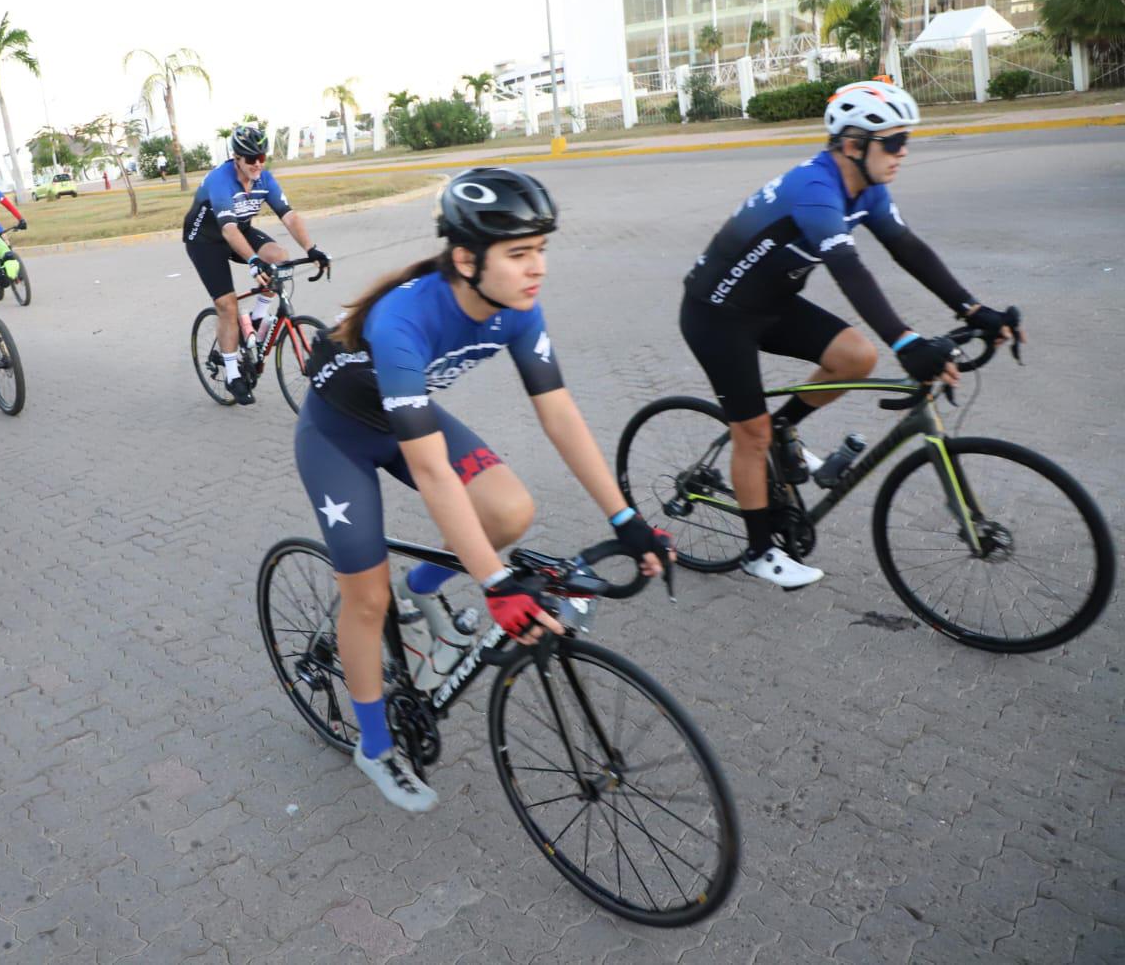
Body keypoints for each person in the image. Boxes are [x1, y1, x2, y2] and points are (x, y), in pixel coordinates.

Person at [297, 167, 671, 811]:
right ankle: (375, 744)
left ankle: (424, 599)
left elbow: (560, 415)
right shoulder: (402, 320)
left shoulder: (517, 310)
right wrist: (496, 585)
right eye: (520, 254)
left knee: (510, 510)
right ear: (467, 259)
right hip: (339, 437)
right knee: (364, 599)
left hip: (405, 416)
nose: (537, 269)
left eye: (541, 251)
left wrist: (626, 518)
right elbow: (436, 472)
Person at [679, 80, 1023, 589]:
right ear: (853, 144)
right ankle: (757, 552)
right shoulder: (815, 189)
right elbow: (850, 269)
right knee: (748, 435)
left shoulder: (869, 190)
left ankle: (784, 427)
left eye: (906, 140)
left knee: (857, 358)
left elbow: (908, 249)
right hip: (716, 316)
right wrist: (906, 343)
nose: (903, 152)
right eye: (894, 142)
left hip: (771, 306)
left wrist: (973, 310)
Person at [182, 124, 329, 405]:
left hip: (239, 229)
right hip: (205, 240)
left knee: (279, 258)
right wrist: (252, 261)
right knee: (227, 305)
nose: (258, 164)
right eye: (251, 159)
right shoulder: (220, 181)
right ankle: (232, 374)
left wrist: (312, 249)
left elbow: (289, 216)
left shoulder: (264, 179)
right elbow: (228, 230)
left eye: (262, 157)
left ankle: (259, 316)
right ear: (236, 157)